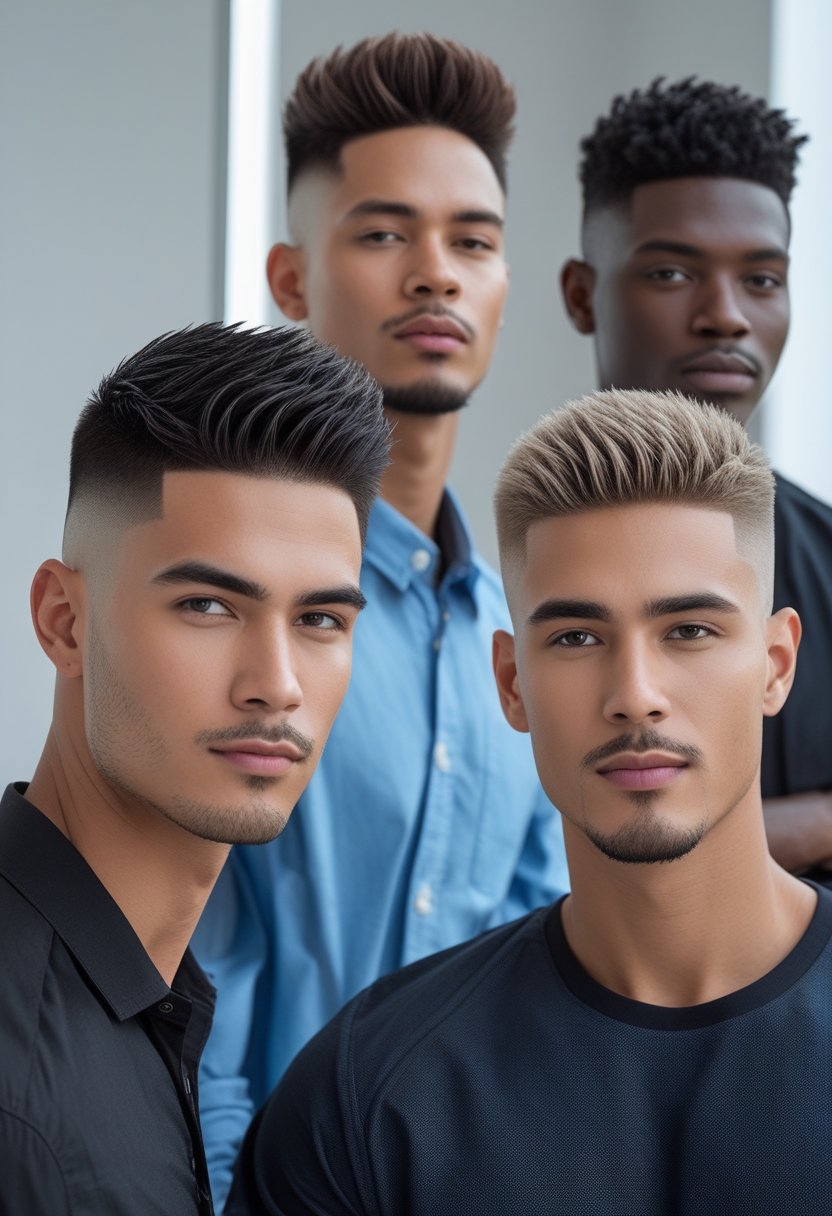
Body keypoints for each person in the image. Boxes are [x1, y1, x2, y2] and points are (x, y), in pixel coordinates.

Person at [226, 387, 832, 1216]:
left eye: (689, 630)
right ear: (511, 682)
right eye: (578, 638)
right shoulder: (368, 1091)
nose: (635, 695)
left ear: (775, 664)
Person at [193, 32, 568, 1204]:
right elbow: (182, 979)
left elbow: (546, 967)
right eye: (383, 232)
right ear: (291, 278)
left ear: (505, 285)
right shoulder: (227, 614)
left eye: (473, 241)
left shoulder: (534, 636)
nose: (434, 273)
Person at [0, 322, 388, 1215]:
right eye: (208, 604)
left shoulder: (147, 1002)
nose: (277, 686)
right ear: (64, 622)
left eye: (321, 620)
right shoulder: (24, 1099)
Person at [559, 77, 832, 880]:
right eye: (674, 274)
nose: (727, 316)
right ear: (583, 295)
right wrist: (813, 823)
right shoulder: (493, 579)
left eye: (762, 280)